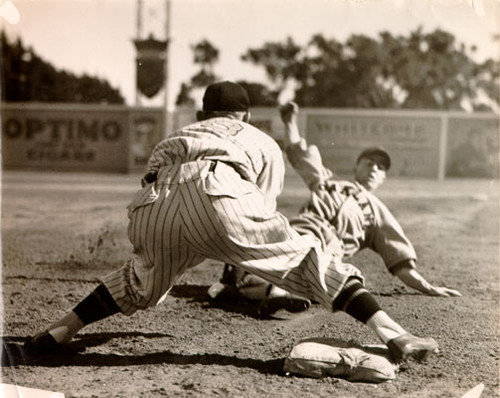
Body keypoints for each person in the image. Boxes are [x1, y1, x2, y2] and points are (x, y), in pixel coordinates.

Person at [26, 82, 438, 364]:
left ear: (204, 111)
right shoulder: (258, 138)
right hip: (223, 192)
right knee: (311, 262)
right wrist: (232, 247)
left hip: (152, 205)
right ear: (245, 114)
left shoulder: (179, 132)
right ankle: (394, 335)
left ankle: (59, 331)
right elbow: (261, 206)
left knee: (138, 279)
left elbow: (152, 181)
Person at [208, 101, 461, 315]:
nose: (374, 169)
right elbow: (299, 153)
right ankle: (254, 287)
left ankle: (258, 290)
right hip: (298, 227)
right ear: (356, 167)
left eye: (381, 168)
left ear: (383, 178)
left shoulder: (377, 212)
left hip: (328, 247)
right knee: (257, 235)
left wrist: (426, 286)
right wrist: (289, 121)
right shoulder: (327, 182)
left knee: (299, 268)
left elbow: (400, 260)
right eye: (369, 163)